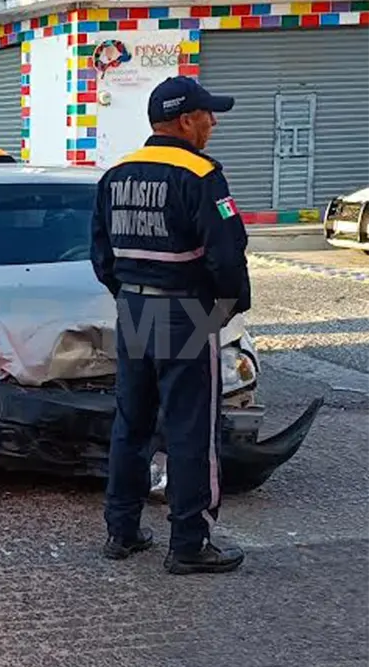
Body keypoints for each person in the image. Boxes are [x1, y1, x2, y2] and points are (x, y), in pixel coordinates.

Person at [89, 76, 251, 575]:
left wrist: (129, 294)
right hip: (186, 312)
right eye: (207, 114)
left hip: (135, 309)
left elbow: (101, 255)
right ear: (185, 121)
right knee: (190, 429)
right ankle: (189, 542)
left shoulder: (116, 173)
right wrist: (228, 307)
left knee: (131, 422)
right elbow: (227, 254)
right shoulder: (200, 174)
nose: (213, 122)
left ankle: (122, 529)